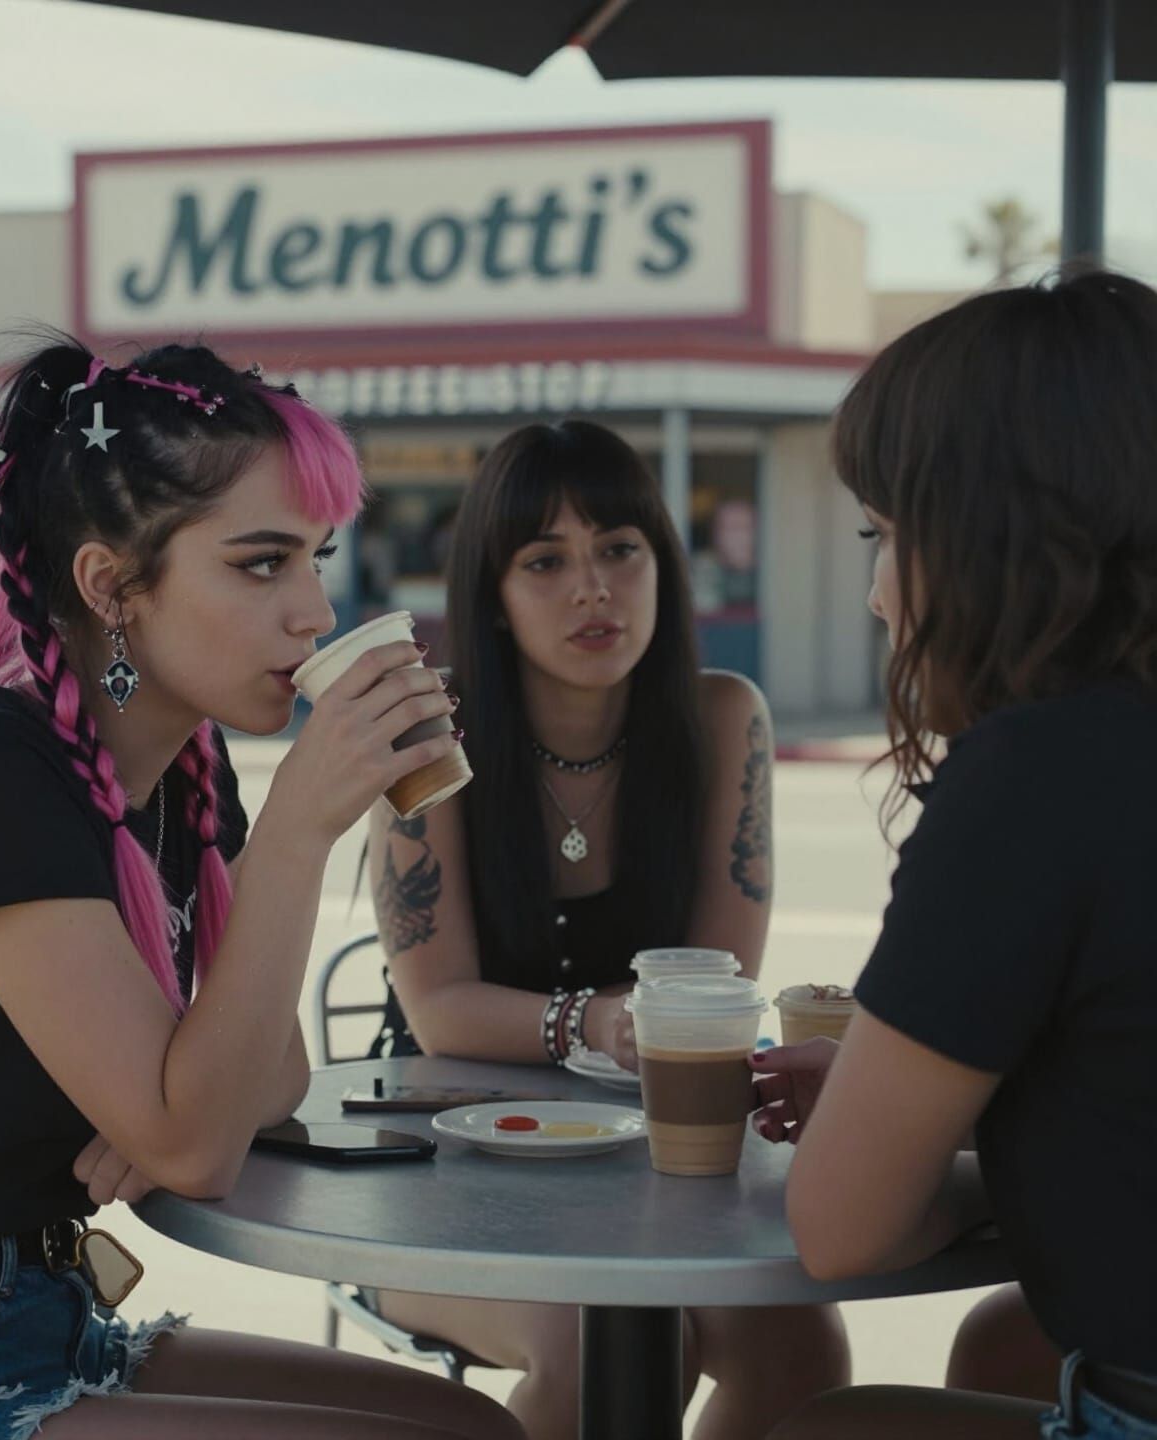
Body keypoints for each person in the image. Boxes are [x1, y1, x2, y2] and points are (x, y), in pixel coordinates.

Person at [0, 335, 523, 1440]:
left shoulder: (187, 772)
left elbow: (270, 1078)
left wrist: (165, 1108)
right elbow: (200, 1141)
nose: (313, 615)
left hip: (45, 1314)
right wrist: (299, 829)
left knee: (468, 1427)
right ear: (111, 586)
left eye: (315, 559)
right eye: (260, 564)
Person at [366, 420, 850, 1440]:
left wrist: (652, 1031)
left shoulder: (723, 718)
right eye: (545, 560)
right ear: (492, 598)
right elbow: (440, 1008)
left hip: (654, 1157)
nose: (594, 588)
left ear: (663, 567)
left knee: (802, 1351)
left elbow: (717, 986)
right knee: (609, 1346)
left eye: (619, 550)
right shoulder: (425, 730)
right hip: (440, 1155)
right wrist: (592, 1025)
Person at [749, 269, 1157, 1440]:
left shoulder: (1039, 774)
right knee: (999, 1348)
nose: (878, 593)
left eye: (883, 533)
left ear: (991, 531)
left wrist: (891, 1138)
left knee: (834, 1428)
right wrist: (977, 1108)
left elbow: (843, 1228)